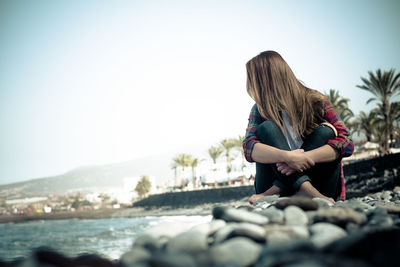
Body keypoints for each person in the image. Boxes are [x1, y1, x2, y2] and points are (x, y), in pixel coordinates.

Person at [242, 51, 354, 204]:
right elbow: (249, 148)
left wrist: (305, 158)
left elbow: (347, 143)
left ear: (265, 80)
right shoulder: (260, 109)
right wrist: (287, 157)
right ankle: (306, 189)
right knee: (266, 128)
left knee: (327, 131)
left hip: (319, 186)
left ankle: (279, 188)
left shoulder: (315, 101)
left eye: (252, 79)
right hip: (311, 195)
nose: (249, 85)